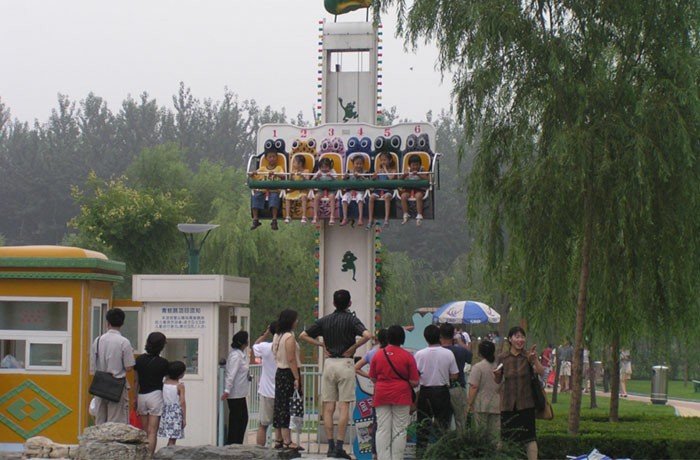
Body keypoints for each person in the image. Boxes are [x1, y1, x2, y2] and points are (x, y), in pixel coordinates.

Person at [300, 289, 372, 459]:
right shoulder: (352, 320)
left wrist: (321, 345)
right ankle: (340, 446)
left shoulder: (325, 320)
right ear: (349, 303)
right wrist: (353, 347)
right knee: (344, 405)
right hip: (345, 363)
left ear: (333, 303)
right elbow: (367, 335)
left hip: (329, 363)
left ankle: (330, 446)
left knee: (328, 406)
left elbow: (303, 335)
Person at [369, 325, 419, 460]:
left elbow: (372, 377)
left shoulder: (378, 354)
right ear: (402, 338)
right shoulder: (408, 356)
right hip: (402, 396)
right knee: (399, 430)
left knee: (382, 429)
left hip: (381, 395)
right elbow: (414, 381)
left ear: (388, 338)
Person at [494, 326, 544, 460]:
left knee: (530, 438)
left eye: (522, 337)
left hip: (526, 403)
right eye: (517, 337)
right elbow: (498, 380)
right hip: (508, 404)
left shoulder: (528, 356)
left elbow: (541, 372)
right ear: (510, 339)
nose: (520, 340)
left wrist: (534, 360)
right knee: (505, 438)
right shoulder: (503, 357)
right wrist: (497, 375)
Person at [414, 324, 458, 458]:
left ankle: (420, 454)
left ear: (425, 338)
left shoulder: (419, 354)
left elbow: (415, 375)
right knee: (443, 425)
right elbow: (455, 375)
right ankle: (442, 454)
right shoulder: (448, 353)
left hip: (425, 392)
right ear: (439, 336)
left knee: (423, 425)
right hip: (442, 392)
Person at [90, 308, 135, 425]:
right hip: (116, 385)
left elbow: (93, 364)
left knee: (100, 420)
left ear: (107, 322)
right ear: (123, 323)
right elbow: (129, 367)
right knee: (116, 423)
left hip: (100, 385)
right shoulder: (124, 342)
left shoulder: (98, 340)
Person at [272, 309, 304, 451]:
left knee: (280, 405)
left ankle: (278, 438)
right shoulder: (289, 337)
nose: (297, 322)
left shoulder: (277, 336)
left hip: (279, 372)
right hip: (288, 373)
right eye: (295, 319)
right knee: (287, 406)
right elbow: (291, 359)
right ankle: (287, 440)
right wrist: (296, 377)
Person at [133, 331, 170, 456]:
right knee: (152, 431)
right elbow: (167, 380)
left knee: (144, 431)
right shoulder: (164, 363)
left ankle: (143, 456)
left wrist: (134, 398)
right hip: (156, 395)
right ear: (161, 346)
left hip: (142, 396)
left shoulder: (139, 360)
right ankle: (149, 456)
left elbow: (136, 381)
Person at [355, 328, 389, 460]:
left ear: (378, 339)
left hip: (378, 390)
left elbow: (356, 367)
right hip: (394, 391)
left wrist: (369, 376)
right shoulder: (391, 352)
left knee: (377, 422)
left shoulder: (372, 353)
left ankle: (375, 452)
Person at [439, 323, 472, 431]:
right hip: (458, 387)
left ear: (440, 335)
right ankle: (460, 440)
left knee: (443, 421)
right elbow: (470, 357)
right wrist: (460, 342)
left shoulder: (437, 351)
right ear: (453, 335)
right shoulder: (460, 351)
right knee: (461, 420)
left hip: (441, 388)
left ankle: (444, 440)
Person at [467, 340, 501, 443]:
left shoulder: (478, 367)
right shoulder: (498, 367)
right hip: (496, 405)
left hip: (481, 405)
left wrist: (469, 404)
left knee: (481, 436)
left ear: (480, 353)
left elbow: (474, 387)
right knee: (495, 437)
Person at [220, 331, 250, 444]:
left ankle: (238, 442)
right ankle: (233, 443)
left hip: (240, 393)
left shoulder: (240, 355)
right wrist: (227, 390)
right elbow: (231, 374)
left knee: (243, 419)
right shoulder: (236, 356)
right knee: (237, 420)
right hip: (235, 393)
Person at [252, 321, 278, 447]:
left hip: (266, 390)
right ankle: (280, 447)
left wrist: (266, 333)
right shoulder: (286, 346)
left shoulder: (265, 347)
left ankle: (260, 449)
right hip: (282, 390)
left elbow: (255, 345)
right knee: (281, 424)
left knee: (263, 424)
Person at [249, 149, 285, 230]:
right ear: (266, 158)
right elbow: (255, 176)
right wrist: (252, 174)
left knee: (274, 197)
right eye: (270, 157)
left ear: (276, 158)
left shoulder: (279, 168)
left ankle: (274, 220)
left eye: (274, 157)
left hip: (274, 190)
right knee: (256, 196)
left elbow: (283, 176)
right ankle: (255, 219)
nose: (272, 159)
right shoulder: (262, 169)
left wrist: (275, 174)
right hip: (262, 190)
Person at [158, 360, 187, 446]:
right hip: (176, 412)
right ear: (180, 374)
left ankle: (168, 450)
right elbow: (182, 402)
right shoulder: (180, 386)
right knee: (173, 438)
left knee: (170, 436)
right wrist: (184, 418)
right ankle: (169, 452)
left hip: (166, 410)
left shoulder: (164, 384)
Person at [367, 151, 398, 229]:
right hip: (378, 189)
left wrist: (385, 170)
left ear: (390, 160)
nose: (383, 162)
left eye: (384, 160)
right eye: (381, 160)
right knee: (371, 198)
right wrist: (374, 177)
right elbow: (372, 180)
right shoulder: (379, 170)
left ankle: (386, 219)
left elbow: (391, 178)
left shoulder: (394, 170)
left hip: (388, 190)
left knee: (387, 197)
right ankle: (370, 219)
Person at [400, 154, 428, 226]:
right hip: (409, 188)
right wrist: (404, 175)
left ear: (420, 165)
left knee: (418, 196)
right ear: (410, 165)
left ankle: (419, 215)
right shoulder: (407, 170)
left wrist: (419, 175)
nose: (415, 167)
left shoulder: (422, 170)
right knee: (403, 196)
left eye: (417, 165)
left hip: (419, 188)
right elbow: (400, 179)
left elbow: (426, 179)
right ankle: (405, 214)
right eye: (413, 165)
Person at [340, 155, 367, 226]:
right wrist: (345, 178)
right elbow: (344, 181)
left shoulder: (365, 172)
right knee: (344, 199)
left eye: (360, 164)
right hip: (350, 191)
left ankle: (360, 218)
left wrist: (361, 176)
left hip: (360, 191)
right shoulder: (349, 171)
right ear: (353, 164)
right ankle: (345, 218)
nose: (358, 166)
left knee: (360, 199)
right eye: (357, 164)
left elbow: (368, 182)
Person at [311, 157, 338, 225]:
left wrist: (331, 176)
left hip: (330, 189)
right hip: (321, 189)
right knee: (316, 197)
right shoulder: (319, 171)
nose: (324, 169)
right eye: (322, 167)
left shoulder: (332, 171)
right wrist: (317, 177)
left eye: (326, 167)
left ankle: (332, 216)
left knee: (332, 197)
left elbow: (337, 180)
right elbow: (312, 180)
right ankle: (315, 216)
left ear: (329, 167)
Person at [284, 155, 310, 224]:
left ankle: (304, 216)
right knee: (287, 197)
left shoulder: (306, 171)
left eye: (294, 162)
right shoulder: (294, 171)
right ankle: (288, 216)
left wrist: (302, 175)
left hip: (303, 190)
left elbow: (307, 180)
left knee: (303, 197)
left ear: (300, 163)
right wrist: (291, 176)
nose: (293, 164)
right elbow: (290, 181)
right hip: (294, 190)